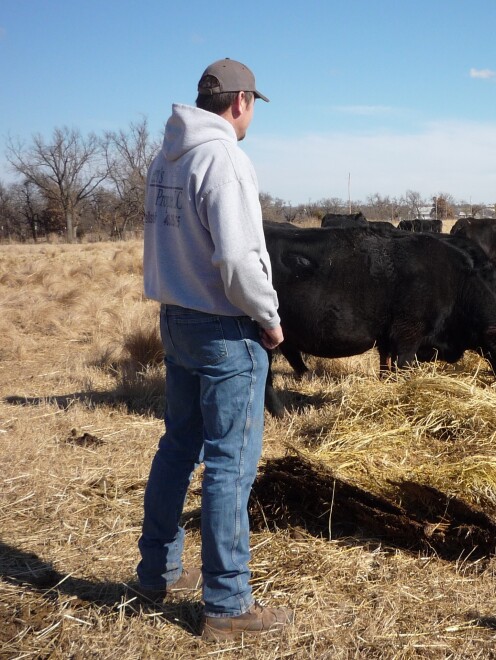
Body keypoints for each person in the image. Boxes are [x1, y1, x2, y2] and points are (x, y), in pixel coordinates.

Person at [136, 58, 292, 642]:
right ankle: (227, 605)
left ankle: (157, 572)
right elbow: (235, 259)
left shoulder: (166, 155)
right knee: (230, 462)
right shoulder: (224, 157)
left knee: (177, 447)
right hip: (224, 328)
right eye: (253, 105)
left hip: (174, 317)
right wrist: (269, 319)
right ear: (242, 101)